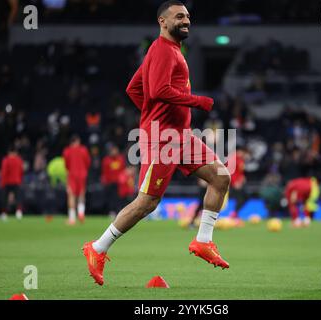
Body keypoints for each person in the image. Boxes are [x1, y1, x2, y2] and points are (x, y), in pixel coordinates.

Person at [83, 0, 231, 286]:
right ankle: (97, 248)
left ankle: (203, 241)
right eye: (179, 16)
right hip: (163, 138)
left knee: (221, 177)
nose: (186, 20)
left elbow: (134, 89)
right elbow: (159, 90)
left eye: (188, 16)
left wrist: (152, 113)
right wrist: (196, 102)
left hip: (180, 135)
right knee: (147, 202)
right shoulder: (164, 51)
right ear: (163, 22)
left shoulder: (168, 50)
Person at [63, 135, 91, 225]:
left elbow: (66, 165)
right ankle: (81, 214)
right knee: (81, 194)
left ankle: (72, 218)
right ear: (78, 141)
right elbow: (88, 162)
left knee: (71, 195)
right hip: (82, 174)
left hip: (72, 174)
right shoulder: (84, 150)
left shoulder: (67, 151)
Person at [101, 144, 126, 216]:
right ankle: (111, 211)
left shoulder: (120, 159)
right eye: (113, 150)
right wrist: (105, 180)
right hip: (110, 182)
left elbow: (123, 170)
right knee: (111, 197)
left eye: (115, 150)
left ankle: (118, 211)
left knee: (119, 197)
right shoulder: (106, 160)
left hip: (119, 183)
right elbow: (104, 171)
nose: (114, 152)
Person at [0, 147, 24, 221]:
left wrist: (2, 183)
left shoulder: (6, 160)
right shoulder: (19, 160)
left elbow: (4, 172)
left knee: (4, 198)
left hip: (7, 181)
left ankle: (4, 214)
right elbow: (21, 171)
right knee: (18, 197)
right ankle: (19, 213)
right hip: (16, 181)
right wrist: (20, 180)